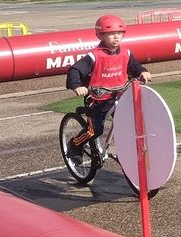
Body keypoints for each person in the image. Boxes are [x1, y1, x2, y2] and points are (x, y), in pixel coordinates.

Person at [65, 15, 152, 157]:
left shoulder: (126, 53)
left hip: (119, 97)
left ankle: (128, 155)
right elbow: (75, 70)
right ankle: (75, 144)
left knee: (129, 125)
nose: (116, 38)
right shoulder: (94, 56)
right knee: (94, 131)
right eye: (111, 35)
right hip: (97, 100)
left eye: (119, 34)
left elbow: (134, 66)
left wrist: (142, 71)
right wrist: (76, 85)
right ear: (100, 36)